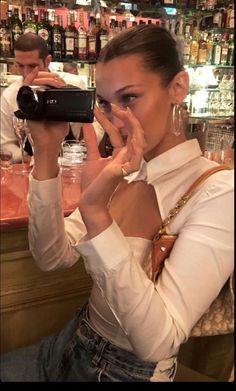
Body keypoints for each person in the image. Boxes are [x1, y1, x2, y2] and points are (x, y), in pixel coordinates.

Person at [0, 25, 233, 382]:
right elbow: (51, 257)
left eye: (130, 98)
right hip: (74, 337)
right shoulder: (123, 170)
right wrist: (46, 153)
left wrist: (97, 214)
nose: (117, 118)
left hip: (124, 372)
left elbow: (159, 341)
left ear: (178, 88)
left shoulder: (218, 191)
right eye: (107, 104)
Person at [0, 33, 103, 163]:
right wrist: (34, 159)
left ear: (48, 61)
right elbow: (7, 144)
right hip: (33, 166)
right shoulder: (10, 95)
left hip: (72, 162)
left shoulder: (75, 84)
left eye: (32, 66)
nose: (26, 73)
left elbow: (97, 124)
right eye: (20, 65)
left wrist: (80, 151)